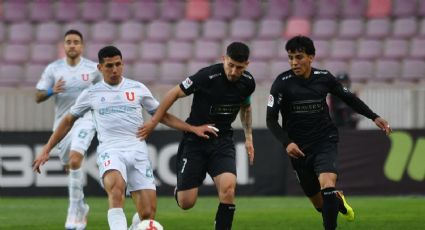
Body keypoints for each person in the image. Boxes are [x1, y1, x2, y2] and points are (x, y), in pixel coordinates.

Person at [33, 46, 214, 230]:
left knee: (147, 214)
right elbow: (67, 121)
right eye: (109, 65)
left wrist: (191, 128)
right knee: (116, 191)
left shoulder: (137, 88)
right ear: (100, 68)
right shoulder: (91, 94)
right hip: (111, 149)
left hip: (137, 150)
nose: (114, 69)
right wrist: (47, 149)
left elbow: (162, 115)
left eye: (118, 64)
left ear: (123, 64)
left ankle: (134, 226)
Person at [266, 36, 392, 230]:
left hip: (324, 141)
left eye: (299, 57)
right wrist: (287, 142)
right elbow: (271, 119)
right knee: (321, 205)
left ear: (311, 57)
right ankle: (338, 200)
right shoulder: (282, 83)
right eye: (290, 57)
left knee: (327, 184)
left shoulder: (324, 77)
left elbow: (349, 98)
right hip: (298, 147)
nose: (294, 62)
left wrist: (374, 117)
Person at [139, 42, 255, 230]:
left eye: (239, 67)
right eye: (230, 65)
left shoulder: (248, 82)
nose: (234, 71)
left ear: (247, 65)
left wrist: (249, 138)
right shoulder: (207, 76)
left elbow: (246, 107)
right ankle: (181, 190)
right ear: (224, 59)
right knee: (186, 202)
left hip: (222, 141)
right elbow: (173, 93)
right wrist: (153, 122)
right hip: (195, 142)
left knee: (228, 189)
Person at [35, 29, 101, 230]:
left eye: (76, 42)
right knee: (69, 165)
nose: (72, 45)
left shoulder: (92, 69)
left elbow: (105, 90)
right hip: (62, 124)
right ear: (64, 46)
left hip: (85, 120)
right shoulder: (53, 69)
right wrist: (50, 90)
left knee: (74, 159)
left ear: (82, 46)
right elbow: (37, 96)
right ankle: (81, 206)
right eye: (69, 42)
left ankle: (73, 210)